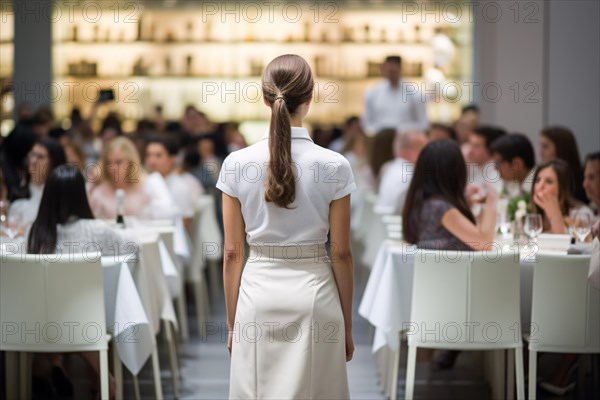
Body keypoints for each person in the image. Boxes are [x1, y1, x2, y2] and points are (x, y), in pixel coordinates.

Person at [218, 54, 355, 399]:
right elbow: (341, 254)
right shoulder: (335, 165)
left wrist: (233, 323)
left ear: (265, 99)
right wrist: (347, 326)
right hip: (315, 296)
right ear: (310, 99)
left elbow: (233, 253)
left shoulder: (236, 164)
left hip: (256, 295)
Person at [27, 165, 136, 399]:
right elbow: (132, 248)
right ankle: (104, 381)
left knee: (53, 310)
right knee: (90, 312)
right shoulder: (97, 230)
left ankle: (50, 364)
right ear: (80, 196)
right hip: (87, 325)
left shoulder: (38, 232)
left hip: (36, 327)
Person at [402, 139, 498, 251]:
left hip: (435, 268)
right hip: (455, 268)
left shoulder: (424, 201)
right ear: (456, 171)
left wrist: (464, 203)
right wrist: (492, 198)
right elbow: (484, 244)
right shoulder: (441, 208)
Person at [88, 136, 178, 221]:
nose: (113, 168)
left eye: (119, 162)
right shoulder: (100, 191)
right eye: (109, 162)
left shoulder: (149, 184)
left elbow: (167, 217)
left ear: (131, 162)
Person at [144, 136, 204, 231]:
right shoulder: (142, 183)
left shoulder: (182, 186)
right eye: (149, 155)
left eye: (158, 155)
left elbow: (185, 224)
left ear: (172, 158)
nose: (152, 161)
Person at [362, 55, 428, 135]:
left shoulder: (415, 93)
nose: (391, 74)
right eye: (389, 70)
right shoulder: (372, 93)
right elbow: (367, 123)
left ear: (401, 69)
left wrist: (404, 130)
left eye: (394, 71)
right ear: (383, 70)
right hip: (380, 140)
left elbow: (423, 124)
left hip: (405, 139)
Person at [10, 138, 66, 225]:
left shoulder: (61, 196)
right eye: (32, 154)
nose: (33, 161)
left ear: (54, 162)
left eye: (40, 157)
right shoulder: (17, 193)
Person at [530, 159, 593, 234]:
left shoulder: (581, 213)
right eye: (537, 180)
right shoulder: (534, 214)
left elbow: (563, 243)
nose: (540, 186)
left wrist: (554, 214)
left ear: (562, 188)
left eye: (548, 181)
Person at [377, 130, 427, 214]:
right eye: (423, 150)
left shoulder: (390, 168)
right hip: (396, 223)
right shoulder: (411, 174)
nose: (427, 155)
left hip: (384, 223)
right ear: (407, 151)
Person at [539, 126, 587, 202]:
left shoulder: (581, 181)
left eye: (545, 146)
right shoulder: (542, 173)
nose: (541, 153)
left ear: (560, 148)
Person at [490, 133, 536, 197]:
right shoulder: (516, 183)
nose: (495, 168)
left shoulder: (538, 190)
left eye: (498, 164)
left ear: (516, 164)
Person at [466, 125, 506, 194]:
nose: (470, 151)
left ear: (490, 149)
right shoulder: (474, 169)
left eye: (476, 146)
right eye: (470, 144)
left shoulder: (496, 175)